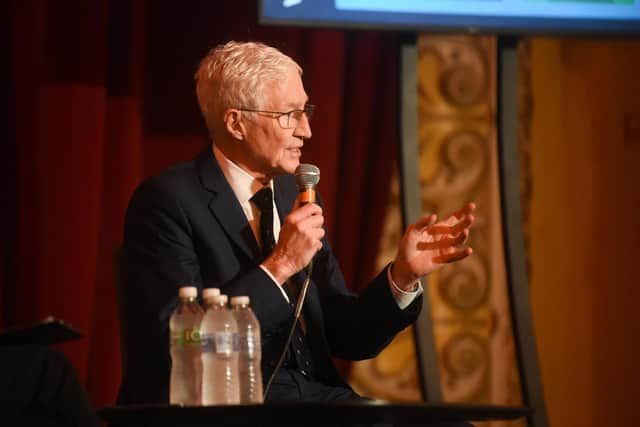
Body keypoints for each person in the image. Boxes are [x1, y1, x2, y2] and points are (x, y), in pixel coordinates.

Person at [117, 41, 475, 411]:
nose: (305, 131)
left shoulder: (296, 194)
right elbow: (177, 345)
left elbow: (347, 337)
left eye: (306, 112)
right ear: (236, 122)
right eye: (290, 115)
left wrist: (401, 278)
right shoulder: (169, 201)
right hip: (228, 406)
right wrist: (281, 265)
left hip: (314, 399)